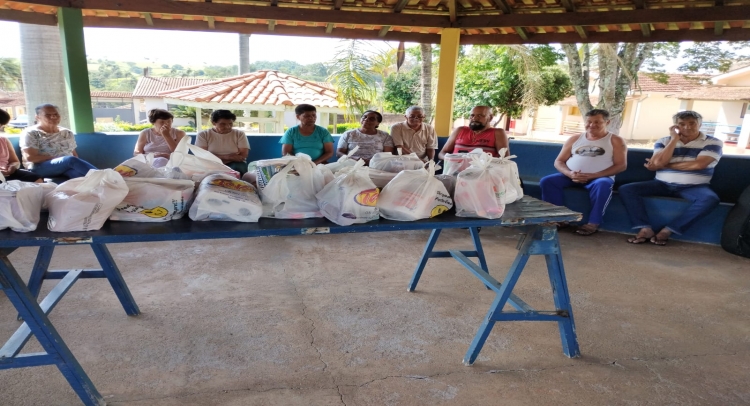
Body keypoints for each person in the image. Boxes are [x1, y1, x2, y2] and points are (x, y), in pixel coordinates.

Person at [620, 110, 722, 246]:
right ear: (675, 126)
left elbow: (699, 164)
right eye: (682, 124)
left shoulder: (713, 142)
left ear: (700, 124)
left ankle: (668, 230)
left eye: (692, 123)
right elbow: (657, 163)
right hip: (661, 184)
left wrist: (664, 165)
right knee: (627, 189)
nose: (687, 127)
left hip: (694, 186)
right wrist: (674, 140)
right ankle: (645, 228)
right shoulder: (664, 141)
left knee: (710, 199)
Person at [539, 109, 627, 236]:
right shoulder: (575, 138)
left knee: (603, 185)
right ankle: (558, 219)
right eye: (589, 122)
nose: (592, 125)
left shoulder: (615, 140)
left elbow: (621, 165)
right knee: (548, 181)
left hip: (599, 178)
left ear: (607, 122)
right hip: (571, 176)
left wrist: (594, 175)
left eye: (597, 122)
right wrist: (570, 174)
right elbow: (559, 161)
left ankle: (593, 223)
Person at [20, 104, 97, 180]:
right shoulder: (31, 133)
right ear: (37, 117)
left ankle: (102, 185)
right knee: (70, 160)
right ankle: (106, 176)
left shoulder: (67, 133)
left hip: (65, 166)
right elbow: (30, 158)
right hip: (39, 167)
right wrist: (60, 159)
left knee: (79, 176)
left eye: (56, 114)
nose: (53, 117)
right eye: (48, 115)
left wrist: (67, 163)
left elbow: (73, 154)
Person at [438, 105, 509, 159]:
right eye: (472, 115)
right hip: (455, 172)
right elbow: (442, 153)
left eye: (480, 115)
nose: (474, 118)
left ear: (490, 118)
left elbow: (504, 159)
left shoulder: (498, 133)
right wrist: (450, 159)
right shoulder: (460, 130)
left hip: (482, 175)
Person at [196, 110, 250, 176]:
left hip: (235, 163)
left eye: (230, 124)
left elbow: (243, 155)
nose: (228, 127)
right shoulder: (203, 135)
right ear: (214, 123)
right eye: (223, 124)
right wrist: (228, 157)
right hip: (211, 164)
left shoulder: (239, 134)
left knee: (238, 168)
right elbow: (202, 155)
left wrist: (214, 156)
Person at [0, 109, 42, 183]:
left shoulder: (4, 140)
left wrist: (12, 167)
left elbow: (15, 161)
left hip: (7, 173)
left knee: (36, 178)